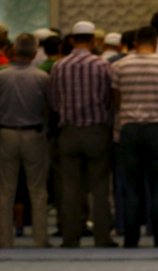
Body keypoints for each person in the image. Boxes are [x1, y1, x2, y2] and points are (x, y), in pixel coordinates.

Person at [49, 21, 115, 248]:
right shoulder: (102, 65)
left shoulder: (60, 66)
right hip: (96, 130)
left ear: (72, 40)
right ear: (93, 40)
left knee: (70, 187)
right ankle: (102, 236)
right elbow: (109, 99)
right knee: (99, 187)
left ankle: (70, 237)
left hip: (69, 131)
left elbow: (54, 102)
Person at [111, 26, 158, 248]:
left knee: (131, 187)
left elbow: (116, 101)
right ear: (155, 43)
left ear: (135, 43)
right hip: (157, 128)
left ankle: (131, 238)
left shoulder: (120, 66)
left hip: (129, 128)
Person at [0, 33, 50, 247]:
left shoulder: (2, 77)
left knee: (6, 190)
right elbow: (51, 107)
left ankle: (4, 239)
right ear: (34, 53)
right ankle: (40, 239)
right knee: (37, 190)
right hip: (34, 134)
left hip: (6, 134)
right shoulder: (42, 77)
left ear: (14, 51)